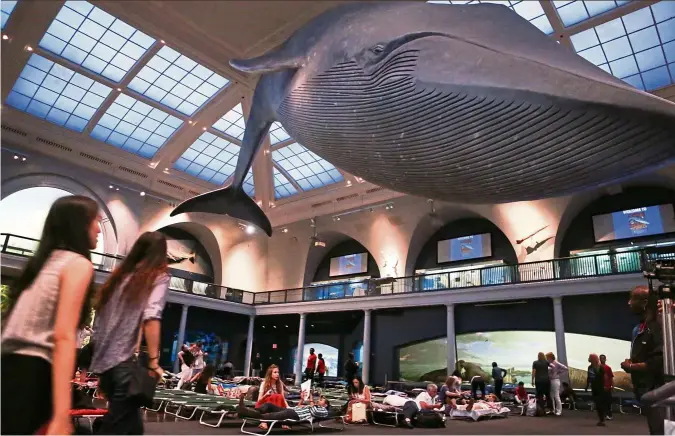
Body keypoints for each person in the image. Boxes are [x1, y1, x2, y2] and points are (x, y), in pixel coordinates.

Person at [1, 195, 100, 435]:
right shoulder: (77, 264)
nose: (98, 228)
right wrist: (61, 414)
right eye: (95, 221)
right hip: (32, 375)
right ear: (79, 224)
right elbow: (63, 336)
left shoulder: (42, 264)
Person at [89, 232, 170, 434]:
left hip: (105, 366)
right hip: (123, 368)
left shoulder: (118, 278)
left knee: (132, 428)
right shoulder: (158, 276)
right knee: (115, 428)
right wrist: (153, 361)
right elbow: (151, 317)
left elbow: (99, 324)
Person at [620, 285, 664, 435]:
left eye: (633, 298)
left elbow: (659, 361)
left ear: (645, 302)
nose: (629, 303)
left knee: (661, 430)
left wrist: (631, 366)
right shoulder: (641, 328)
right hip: (647, 392)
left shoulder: (658, 326)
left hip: (659, 392)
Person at [238, 390, 330, 422]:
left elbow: (314, 411)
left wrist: (311, 400)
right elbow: (297, 407)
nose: (318, 400)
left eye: (321, 400)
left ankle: (246, 411)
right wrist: (301, 400)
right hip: (292, 410)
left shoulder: (323, 410)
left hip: (293, 415)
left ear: (325, 405)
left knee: (268, 416)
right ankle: (248, 410)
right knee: (269, 405)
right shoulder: (314, 406)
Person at [256, 364, 290, 431]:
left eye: (278, 372)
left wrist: (288, 407)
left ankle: (283, 421)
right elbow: (259, 400)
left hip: (276, 405)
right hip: (264, 405)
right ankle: (264, 421)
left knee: (278, 396)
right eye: (275, 372)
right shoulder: (264, 383)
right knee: (274, 397)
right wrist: (266, 395)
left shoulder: (280, 383)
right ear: (270, 374)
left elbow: (282, 398)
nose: (277, 374)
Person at [546, 352, 568, 416]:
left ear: (550, 357)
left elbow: (565, 368)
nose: (547, 359)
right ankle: (553, 410)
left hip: (555, 380)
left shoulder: (556, 363)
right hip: (551, 380)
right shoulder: (549, 363)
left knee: (556, 396)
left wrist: (558, 372)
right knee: (551, 396)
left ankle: (559, 411)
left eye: (547, 357)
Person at [589, 354, 607, 427]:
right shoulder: (589, 367)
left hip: (600, 388)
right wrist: (587, 386)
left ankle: (602, 420)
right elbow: (589, 377)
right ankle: (601, 419)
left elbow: (604, 377)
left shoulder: (601, 368)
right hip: (594, 388)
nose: (588, 359)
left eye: (590, 358)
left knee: (600, 404)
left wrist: (605, 386)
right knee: (597, 404)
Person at [599, 354, 614, 420]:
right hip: (600, 388)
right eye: (601, 358)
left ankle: (609, 414)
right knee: (601, 401)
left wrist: (612, 386)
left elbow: (611, 377)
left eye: (603, 358)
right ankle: (603, 414)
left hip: (607, 388)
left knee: (608, 402)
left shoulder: (608, 368)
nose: (602, 359)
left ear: (605, 359)